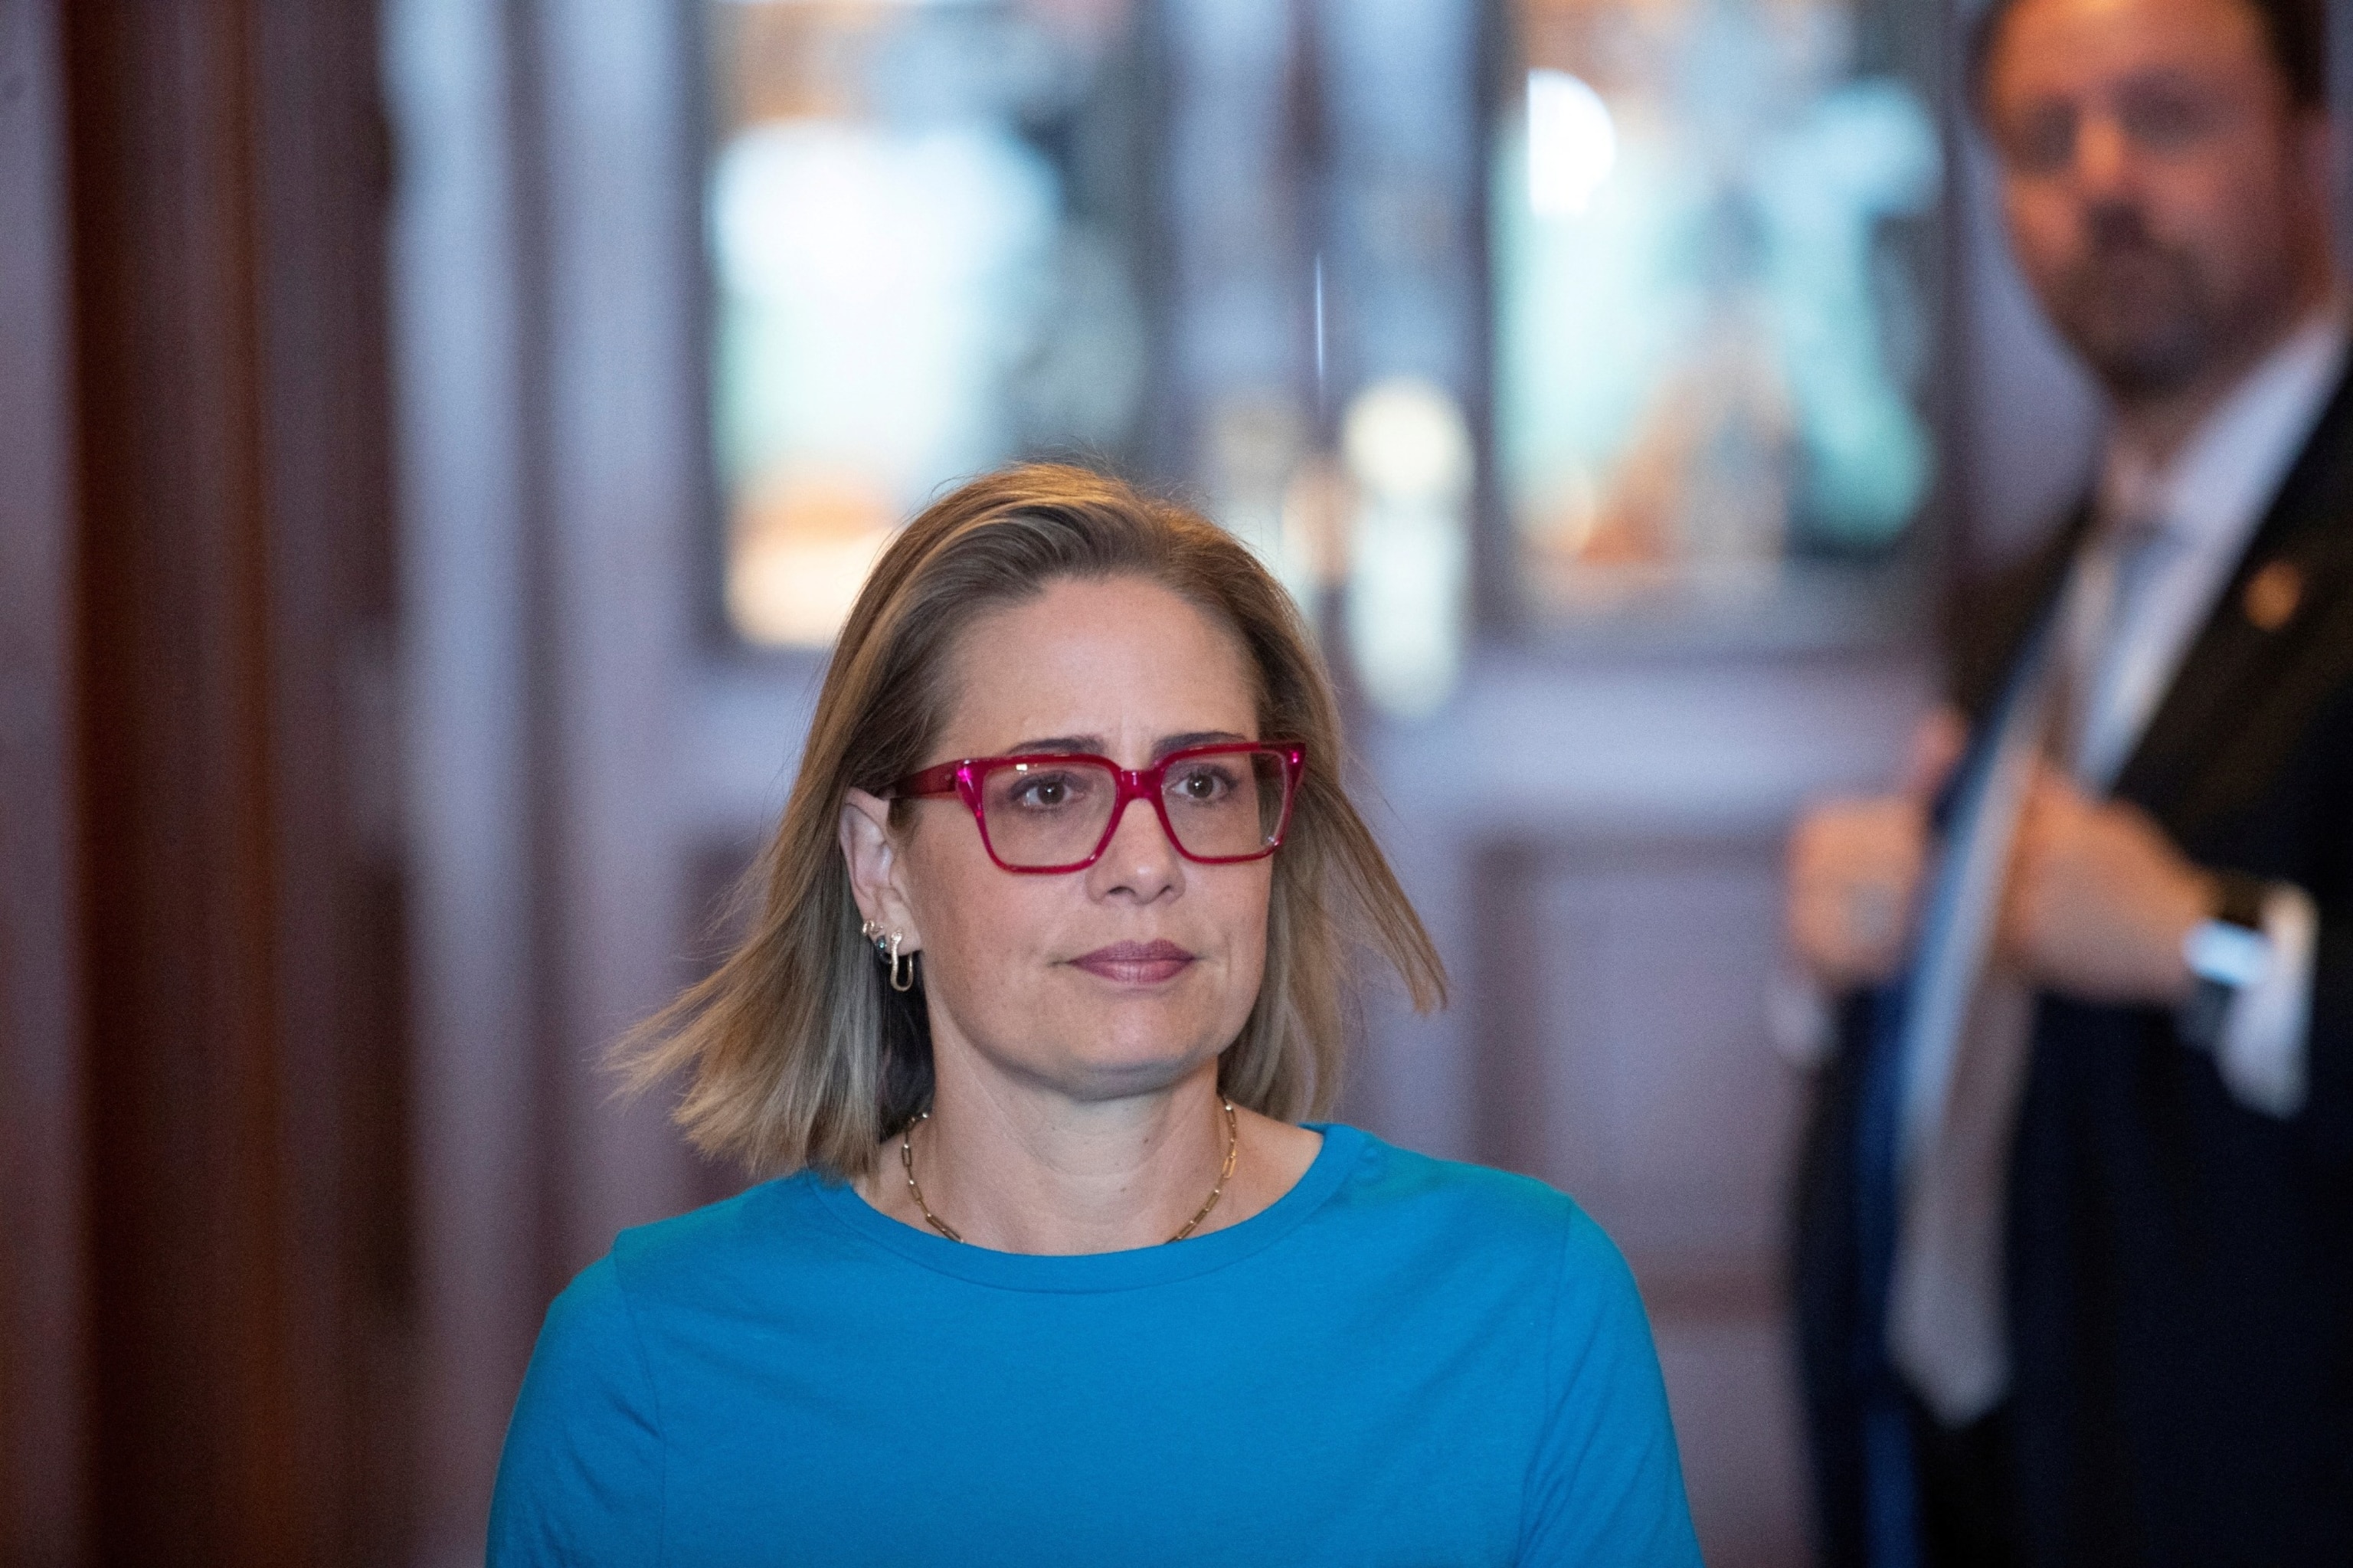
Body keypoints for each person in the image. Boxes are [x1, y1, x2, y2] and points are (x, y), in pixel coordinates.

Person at [489, 466, 1702, 1564]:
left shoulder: (1520, 1307)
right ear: (882, 871)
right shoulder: (647, 1368)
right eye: (1050, 791)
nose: (1144, 862)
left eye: (1204, 784)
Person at [1783, 0, 2353, 1561]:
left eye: (2165, 114)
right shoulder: (2029, 593)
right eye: (2046, 137)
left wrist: (2211, 944)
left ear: (2311, 140)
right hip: (1996, 1478)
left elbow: (2179, 941)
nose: (2103, 179)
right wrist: (1860, 964)